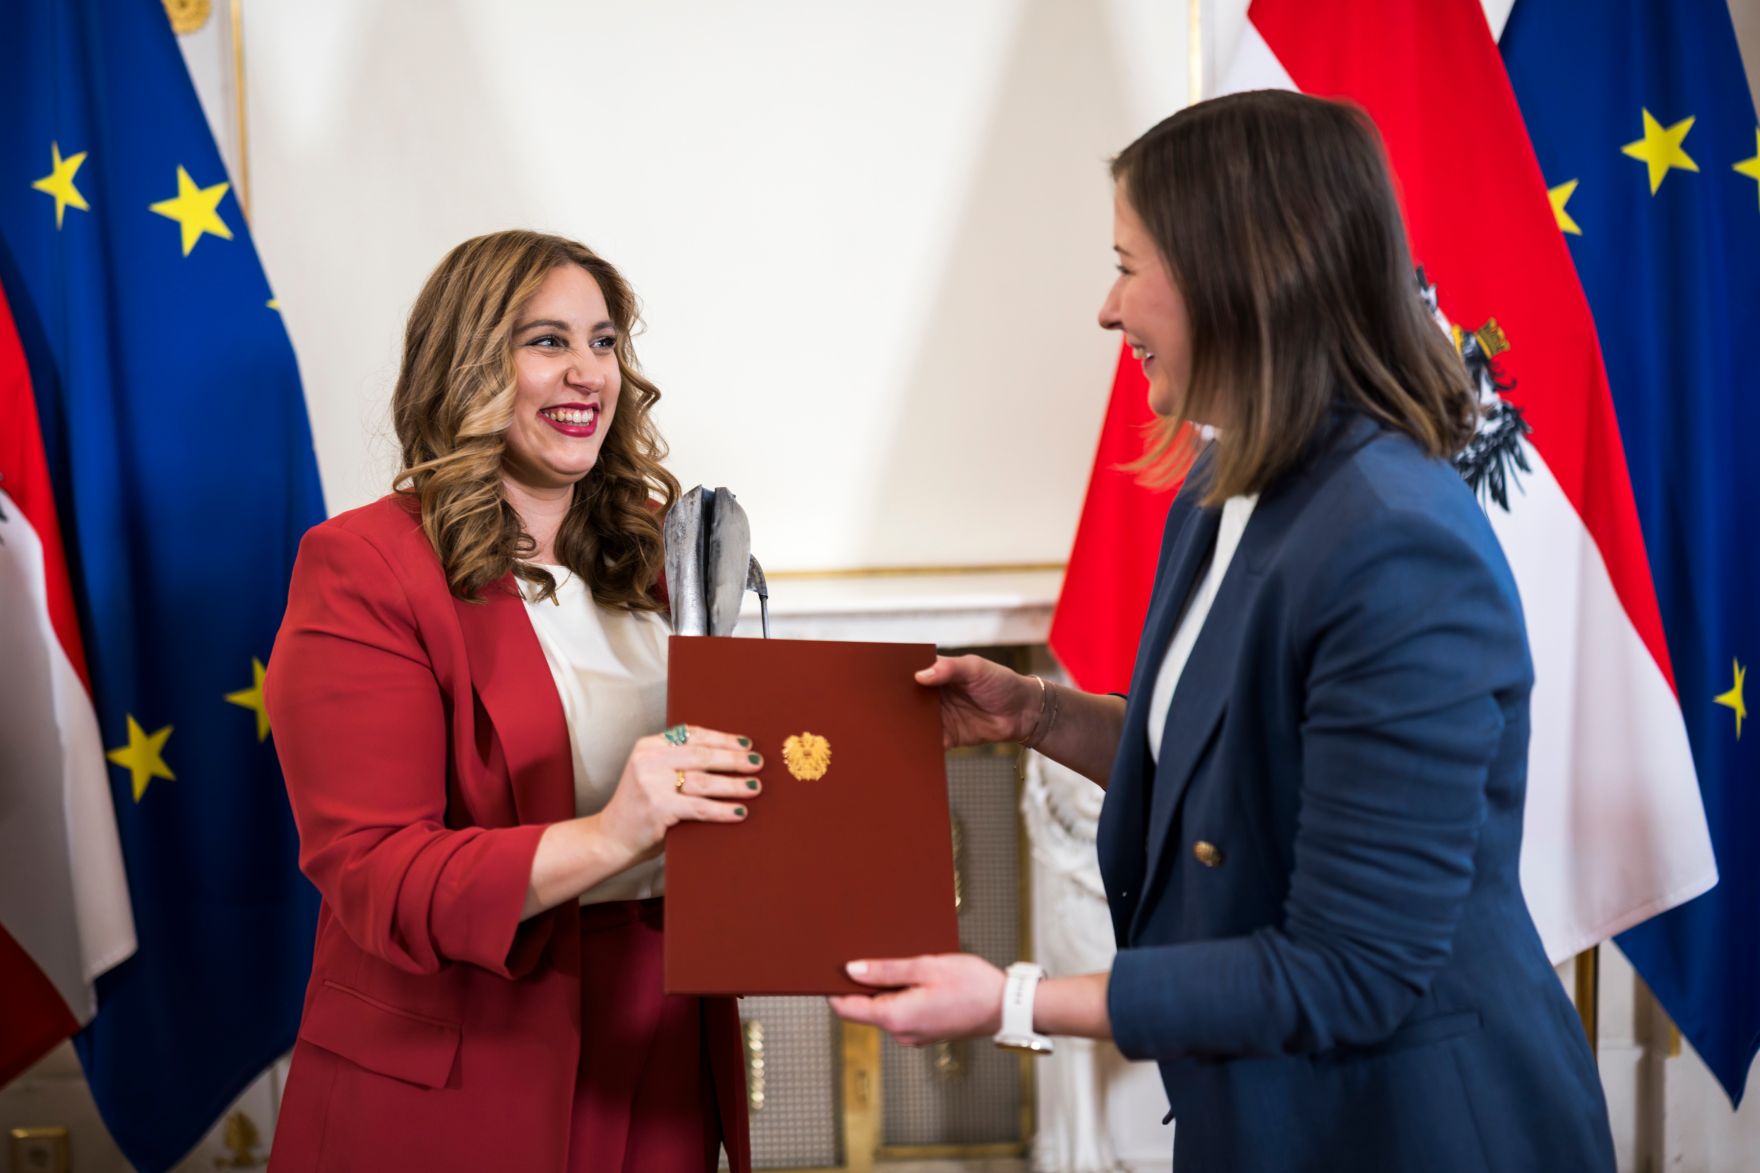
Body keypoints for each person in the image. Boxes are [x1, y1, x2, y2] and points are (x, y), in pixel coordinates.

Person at [831, 91, 1616, 1171]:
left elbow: (1350, 968)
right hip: (1267, 1113)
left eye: (1126, 263)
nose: (1107, 309)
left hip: (1415, 1127)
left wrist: (1011, 998)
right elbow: (1240, 771)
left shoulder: (1394, 546)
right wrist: (1042, 716)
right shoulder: (1225, 480)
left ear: (1239, 275)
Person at [263, 230, 762, 1172]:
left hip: (662, 1037)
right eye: (547, 341)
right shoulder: (364, 567)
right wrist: (614, 832)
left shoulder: (660, 552)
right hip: (465, 1064)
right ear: (470, 364)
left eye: (605, 342)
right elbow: (374, 871)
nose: (588, 374)